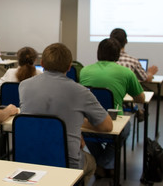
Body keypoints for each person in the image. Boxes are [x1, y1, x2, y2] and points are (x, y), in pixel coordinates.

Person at [19, 43, 113, 185]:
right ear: (69, 66)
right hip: (66, 163)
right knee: (91, 163)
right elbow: (107, 127)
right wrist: (80, 123)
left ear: (42, 63)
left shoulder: (24, 86)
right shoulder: (81, 92)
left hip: (27, 156)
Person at [80, 38, 145, 178]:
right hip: (114, 121)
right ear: (117, 55)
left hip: (89, 121)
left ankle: (99, 164)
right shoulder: (126, 73)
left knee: (86, 132)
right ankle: (105, 164)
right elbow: (141, 99)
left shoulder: (85, 71)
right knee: (124, 130)